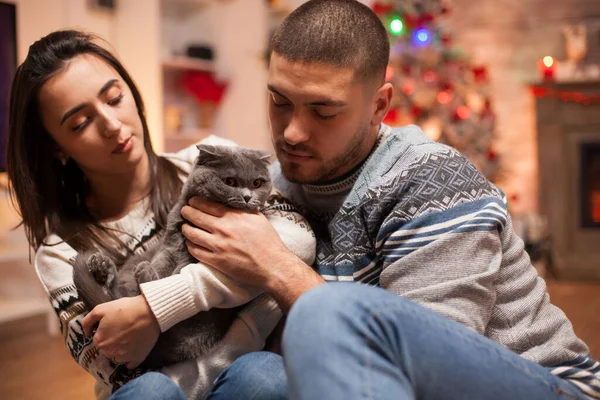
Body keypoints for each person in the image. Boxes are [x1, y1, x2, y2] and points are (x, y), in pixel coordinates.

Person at [179, 1, 600, 399]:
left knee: (327, 311)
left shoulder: (430, 177)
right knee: (257, 376)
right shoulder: (268, 187)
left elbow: (424, 368)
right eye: (279, 101)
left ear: (379, 105)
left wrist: (275, 266)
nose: (291, 132)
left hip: (547, 385)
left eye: (323, 111)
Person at [6, 30, 315, 399]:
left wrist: (159, 307)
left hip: (245, 379)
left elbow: (296, 243)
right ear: (57, 149)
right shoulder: (60, 252)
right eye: (80, 123)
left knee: (264, 375)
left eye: (115, 98)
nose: (112, 124)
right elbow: (117, 368)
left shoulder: (211, 161)